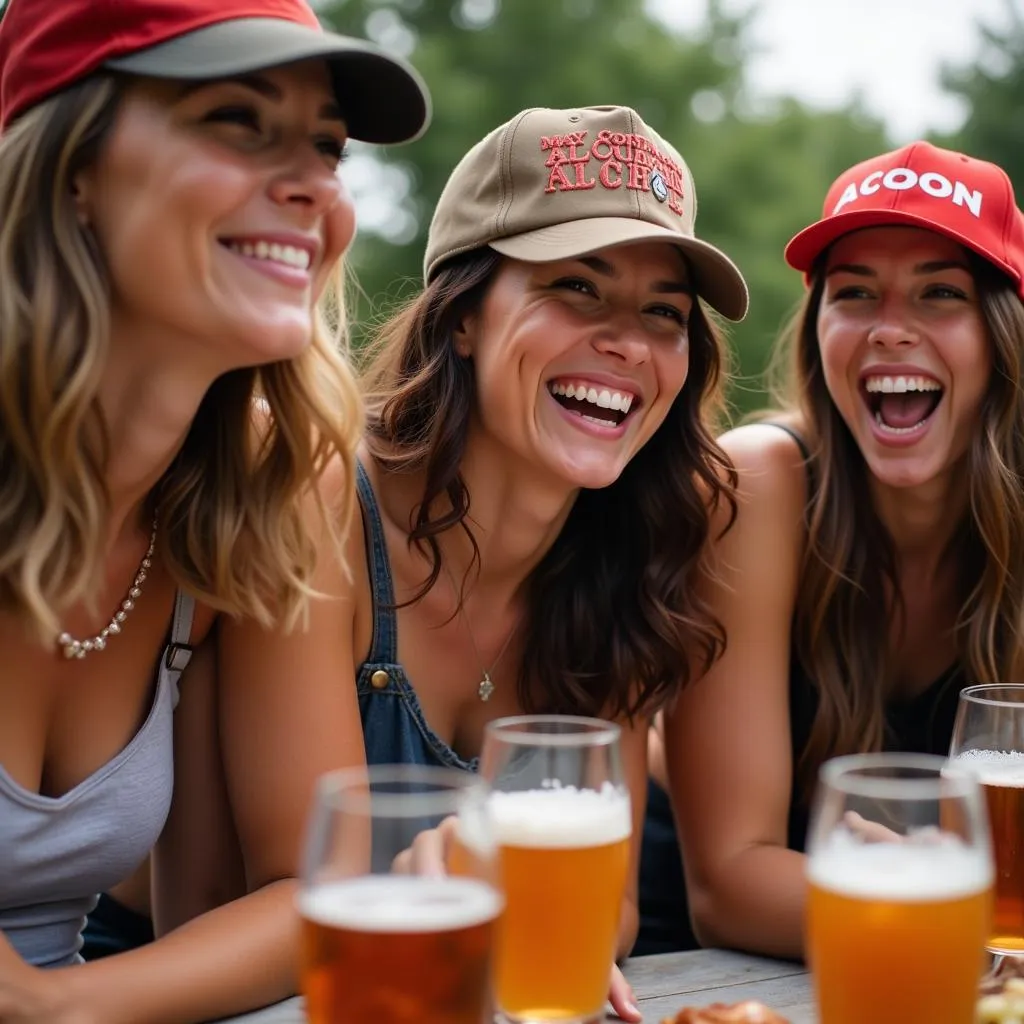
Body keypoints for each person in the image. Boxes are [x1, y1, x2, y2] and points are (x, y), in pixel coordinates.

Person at [0, 0, 429, 1020]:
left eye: (326, 146)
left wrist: (68, 1005)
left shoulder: (259, 492)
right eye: (239, 120)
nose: (312, 185)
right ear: (72, 167)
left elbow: (314, 889)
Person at [346, 104, 748, 1018]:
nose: (628, 343)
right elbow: (272, 882)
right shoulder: (331, 515)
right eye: (576, 287)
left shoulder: (631, 557)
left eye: (664, 313)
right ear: (462, 318)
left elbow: (609, 914)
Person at [650, 140, 1024, 959]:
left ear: (1003, 337)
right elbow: (728, 885)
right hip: (703, 973)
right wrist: (923, 910)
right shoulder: (758, 486)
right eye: (854, 293)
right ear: (819, 328)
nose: (891, 330)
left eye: (939, 295)